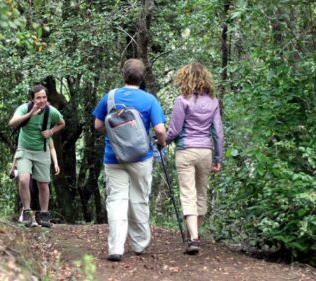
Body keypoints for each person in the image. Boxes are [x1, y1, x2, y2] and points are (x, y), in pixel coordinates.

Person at [93, 58, 167, 262]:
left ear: (123, 75)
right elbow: (160, 129)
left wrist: (116, 136)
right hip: (141, 157)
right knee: (139, 198)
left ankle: (116, 247)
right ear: (142, 78)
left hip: (114, 156)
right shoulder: (149, 100)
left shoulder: (110, 97)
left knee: (116, 200)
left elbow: (98, 125)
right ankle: (139, 244)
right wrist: (162, 142)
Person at [165, 62, 224, 255]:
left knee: (187, 193)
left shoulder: (182, 100)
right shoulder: (213, 102)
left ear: (185, 78)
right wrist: (218, 157)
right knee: (201, 193)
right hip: (205, 151)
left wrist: (161, 141)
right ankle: (194, 236)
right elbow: (218, 132)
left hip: (186, 150)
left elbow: (174, 130)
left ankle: (194, 238)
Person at [9, 84, 65, 227]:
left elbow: (61, 123)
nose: (42, 100)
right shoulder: (24, 108)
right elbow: (12, 123)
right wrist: (30, 114)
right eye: (38, 98)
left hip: (42, 150)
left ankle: (44, 215)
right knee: (23, 180)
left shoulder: (51, 111)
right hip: (25, 150)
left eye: (44, 97)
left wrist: (51, 132)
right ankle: (27, 212)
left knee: (43, 184)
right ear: (32, 99)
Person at [10, 138, 60, 224]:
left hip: (39, 171)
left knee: (41, 188)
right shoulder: (26, 135)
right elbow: (19, 150)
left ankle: (40, 217)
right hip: (28, 174)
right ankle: (26, 216)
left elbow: (52, 148)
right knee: (25, 185)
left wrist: (56, 163)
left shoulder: (46, 135)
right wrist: (13, 167)